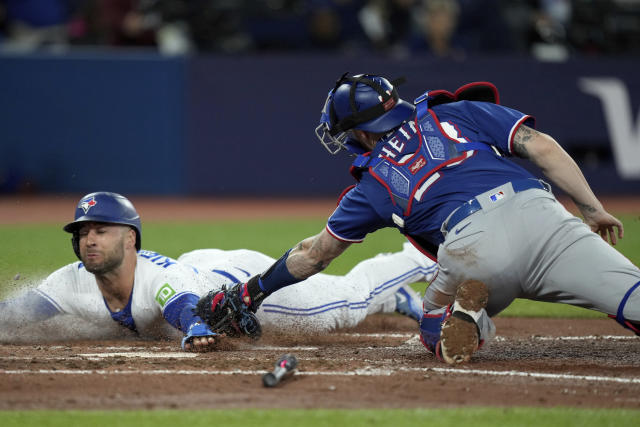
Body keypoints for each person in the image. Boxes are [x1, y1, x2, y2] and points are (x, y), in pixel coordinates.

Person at [197, 73, 640, 365]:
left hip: (471, 245)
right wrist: (590, 207)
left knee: (438, 327)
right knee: (630, 295)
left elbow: (315, 255)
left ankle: (460, 315)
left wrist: (250, 292)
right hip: (545, 216)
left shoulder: (371, 184)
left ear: (363, 130)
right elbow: (539, 146)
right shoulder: (455, 113)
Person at [0, 191, 434, 351]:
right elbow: (17, 312)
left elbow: (184, 307)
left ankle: (424, 259)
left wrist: (194, 329)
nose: (89, 239)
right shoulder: (71, 278)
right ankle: (396, 296)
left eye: (101, 230)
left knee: (346, 302)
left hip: (235, 282)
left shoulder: (157, 280)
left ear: (130, 238)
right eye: (82, 232)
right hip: (201, 264)